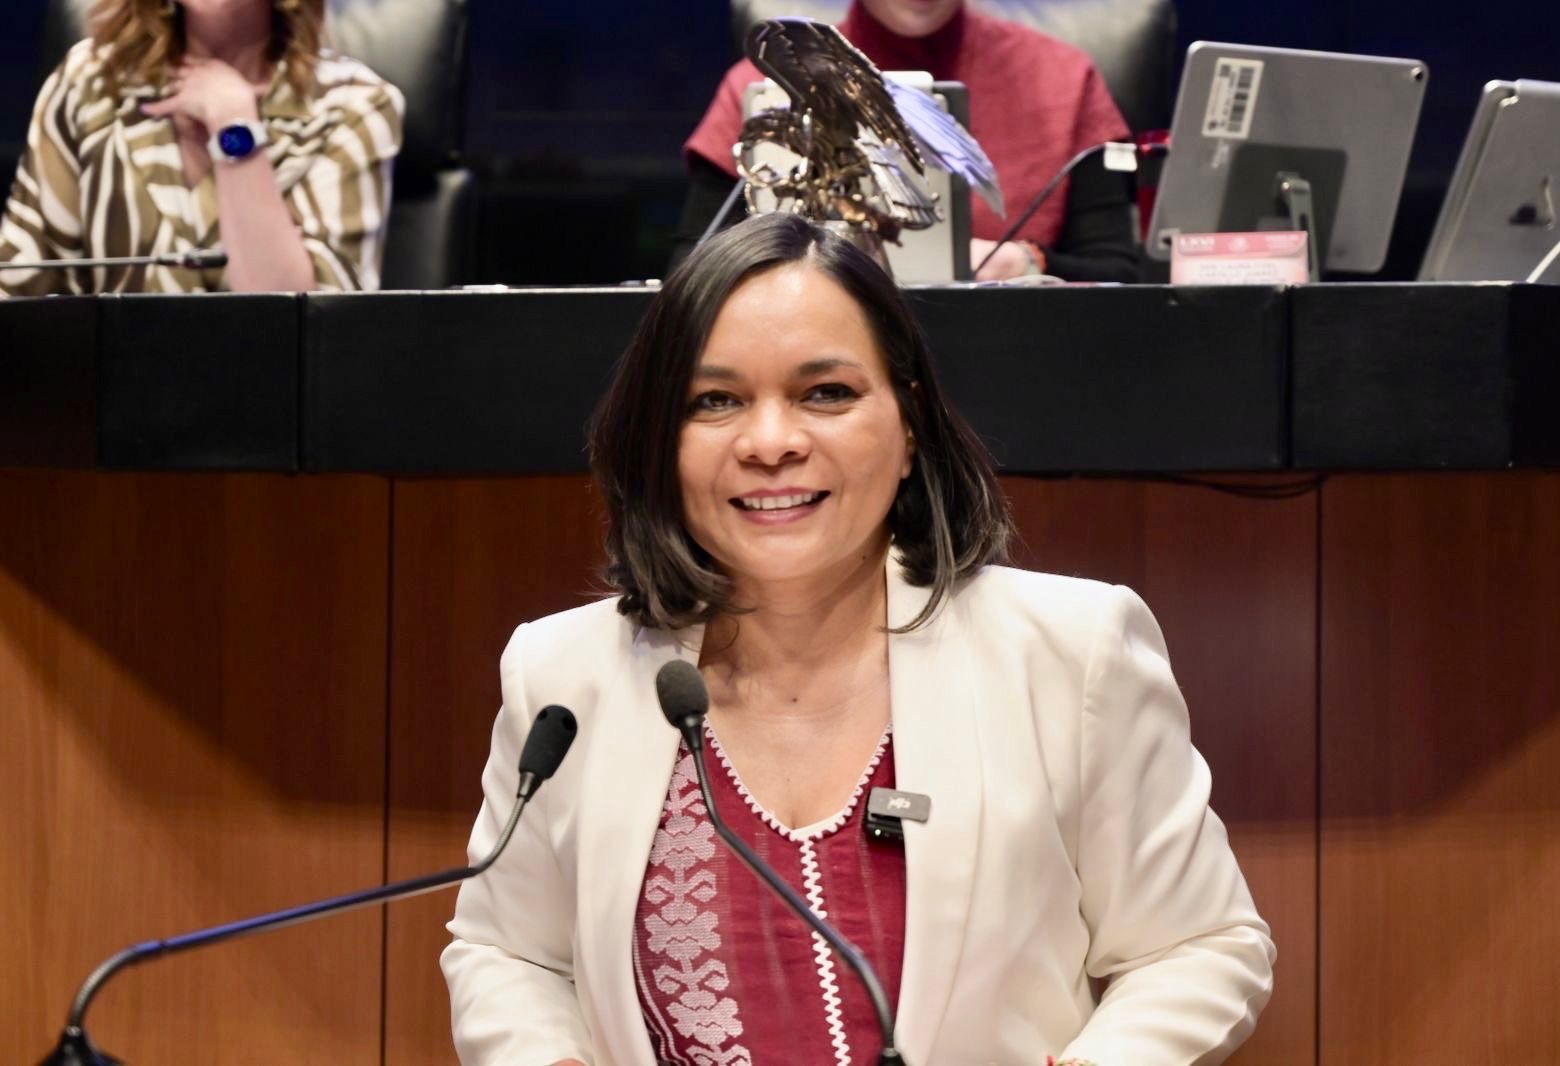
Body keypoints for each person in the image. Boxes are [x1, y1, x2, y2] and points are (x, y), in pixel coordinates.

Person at [441, 212, 1273, 1065]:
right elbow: (508, 953)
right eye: (716, 401)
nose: (772, 443)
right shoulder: (564, 673)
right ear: (660, 440)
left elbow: (1198, 946)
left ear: (909, 426)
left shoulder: (1070, 651)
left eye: (826, 393)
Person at [675, 0, 1140, 282]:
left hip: (1008, 353)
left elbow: (1120, 275)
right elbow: (688, 274)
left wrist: (1026, 262)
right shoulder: (759, 88)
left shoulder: (1064, 79)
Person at [0, 0, 403, 297]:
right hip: (106, 383)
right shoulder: (92, 83)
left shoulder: (353, 106)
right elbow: (18, 288)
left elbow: (314, 332)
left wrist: (234, 126)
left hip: (272, 389)